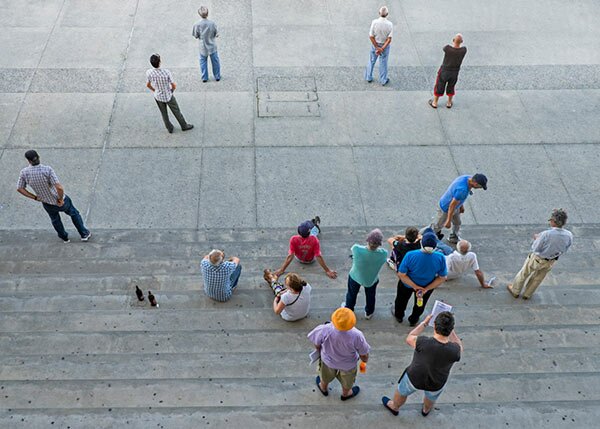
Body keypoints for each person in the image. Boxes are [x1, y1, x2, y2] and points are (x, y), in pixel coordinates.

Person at [382, 311, 462, 417]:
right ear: (451, 329)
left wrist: (424, 323)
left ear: (434, 326)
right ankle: (426, 410)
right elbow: (459, 346)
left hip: (414, 377)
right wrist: (450, 329)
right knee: (431, 397)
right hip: (437, 381)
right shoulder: (454, 350)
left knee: (402, 392)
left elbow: (410, 337)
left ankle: (395, 407)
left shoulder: (423, 342)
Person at [16, 150, 91, 243]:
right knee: (74, 213)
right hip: (59, 200)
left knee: (55, 219)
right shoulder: (47, 170)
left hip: (46, 202)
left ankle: (64, 237)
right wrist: (60, 199)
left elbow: (20, 188)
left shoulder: (24, 172)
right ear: (38, 157)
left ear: (29, 161)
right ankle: (84, 234)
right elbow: (59, 187)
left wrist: (35, 197)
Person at [507, 209, 573, 300]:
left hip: (537, 258)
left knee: (524, 273)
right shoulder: (569, 235)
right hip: (551, 260)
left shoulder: (546, 234)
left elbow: (535, 248)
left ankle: (515, 291)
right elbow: (565, 248)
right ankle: (527, 294)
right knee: (538, 278)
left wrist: (537, 238)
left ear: (553, 222)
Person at [308, 308, 370, 400]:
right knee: (347, 381)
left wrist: (320, 350)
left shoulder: (325, 329)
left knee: (325, 376)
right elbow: (364, 354)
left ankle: (323, 388)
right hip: (348, 365)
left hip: (328, 361)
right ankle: (346, 394)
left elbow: (317, 344)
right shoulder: (357, 335)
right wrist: (364, 362)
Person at [392, 232, 447, 326]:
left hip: (407, 284)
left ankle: (399, 316)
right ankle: (413, 320)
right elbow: (442, 277)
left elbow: (401, 274)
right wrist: (425, 289)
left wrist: (415, 286)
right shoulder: (440, 257)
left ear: (421, 243)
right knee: (420, 304)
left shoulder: (410, 255)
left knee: (401, 301)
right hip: (427, 286)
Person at [342, 229, 387, 319]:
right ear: (379, 244)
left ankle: (349, 309)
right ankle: (369, 312)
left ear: (367, 240)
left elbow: (356, 251)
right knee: (371, 296)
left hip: (355, 277)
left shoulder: (356, 249)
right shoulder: (383, 254)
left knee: (351, 294)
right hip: (371, 279)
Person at [430, 173, 488, 244]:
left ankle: (453, 237)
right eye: (480, 186)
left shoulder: (467, 178)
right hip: (445, 208)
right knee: (437, 226)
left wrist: (461, 206)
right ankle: (422, 237)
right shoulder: (462, 190)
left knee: (457, 222)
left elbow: (457, 199)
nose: (480, 188)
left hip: (455, 206)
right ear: (475, 183)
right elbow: (451, 205)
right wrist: (448, 221)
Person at [146, 53, 194, 133]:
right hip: (168, 95)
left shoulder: (149, 72)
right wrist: (171, 91)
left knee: (164, 113)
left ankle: (169, 128)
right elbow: (173, 85)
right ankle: (184, 125)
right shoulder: (166, 72)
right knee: (176, 111)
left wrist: (155, 90)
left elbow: (148, 85)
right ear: (160, 62)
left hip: (158, 96)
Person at [429, 34, 467, 109]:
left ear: (453, 40)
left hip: (444, 71)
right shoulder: (463, 50)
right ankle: (449, 103)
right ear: (462, 41)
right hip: (455, 72)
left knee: (439, 85)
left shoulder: (447, 48)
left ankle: (435, 102)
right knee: (451, 86)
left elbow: (444, 48)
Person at [365, 6, 393, 85]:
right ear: (387, 14)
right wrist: (382, 48)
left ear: (379, 13)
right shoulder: (390, 24)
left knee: (371, 60)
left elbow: (371, 36)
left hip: (375, 44)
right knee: (383, 62)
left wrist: (376, 47)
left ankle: (368, 77)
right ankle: (383, 80)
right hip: (385, 46)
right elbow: (389, 39)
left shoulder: (374, 22)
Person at [192, 6, 221, 83]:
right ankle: (217, 76)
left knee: (203, 61)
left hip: (203, 46)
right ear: (207, 14)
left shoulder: (197, 24)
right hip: (212, 46)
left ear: (199, 14)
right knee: (215, 61)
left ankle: (204, 77)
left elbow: (195, 35)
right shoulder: (212, 23)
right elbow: (216, 34)